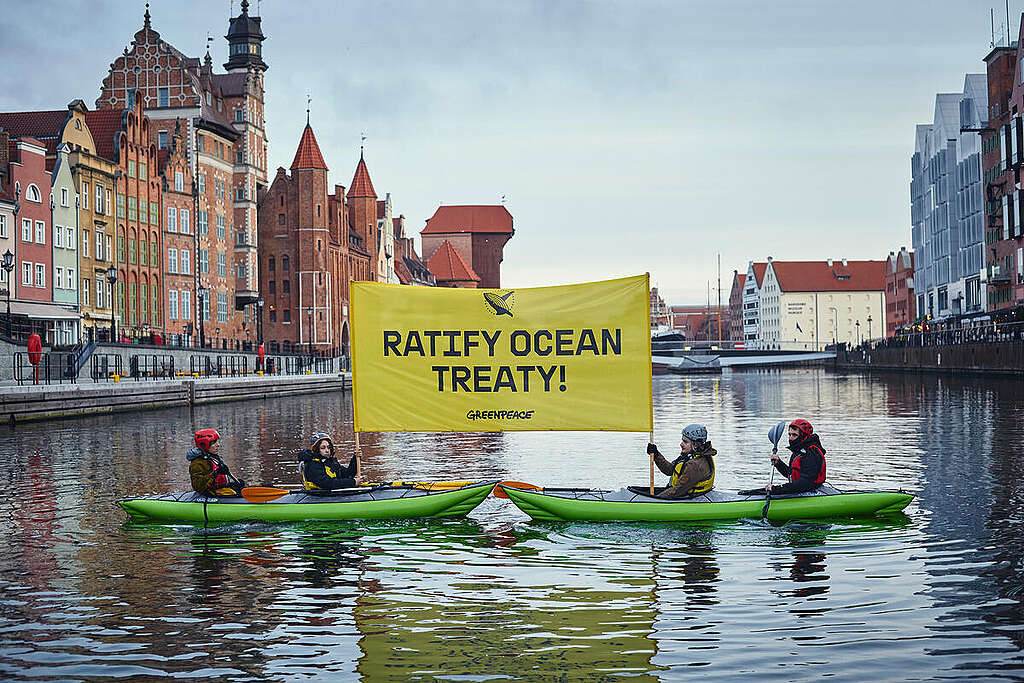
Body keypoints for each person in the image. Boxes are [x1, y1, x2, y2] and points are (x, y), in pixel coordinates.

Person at [645, 423, 716, 499]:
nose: (681, 444)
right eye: (682, 441)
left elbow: (677, 490)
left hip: (688, 498)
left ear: (695, 445)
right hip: (679, 494)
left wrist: (654, 499)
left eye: (685, 442)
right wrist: (656, 455)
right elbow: (669, 470)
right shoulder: (690, 456)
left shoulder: (695, 465)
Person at [767, 418, 827, 495]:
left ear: (803, 436)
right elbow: (791, 474)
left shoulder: (811, 454)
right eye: (789, 434)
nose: (791, 438)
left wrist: (777, 489)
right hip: (800, 490)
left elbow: (804, 483)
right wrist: (778, 463)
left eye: (794, 435)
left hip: (811, 493)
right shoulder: (799, 451)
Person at [186, 428, 245, 497]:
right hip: (210, 493)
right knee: (238, 495)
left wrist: (233, 483)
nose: (218, 445)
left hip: (219, 489)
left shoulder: (213, 458)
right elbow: (198, 487)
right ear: (205, 445)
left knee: (241, 489)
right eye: (214, 443)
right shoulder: (198, 463)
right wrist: (215, 474)